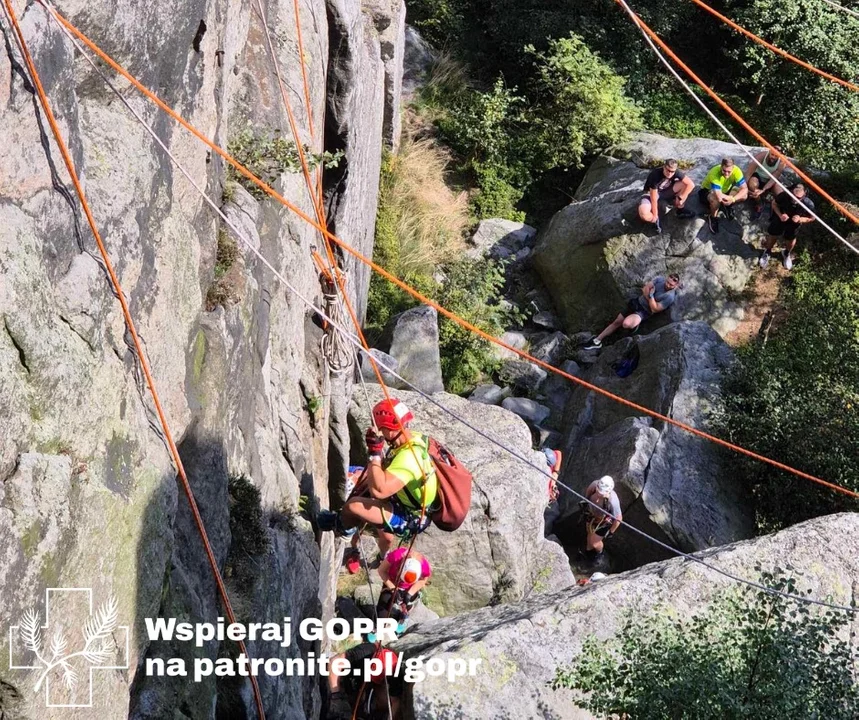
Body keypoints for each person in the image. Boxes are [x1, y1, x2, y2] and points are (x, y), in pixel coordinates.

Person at [317, 399, 437, 552]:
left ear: (390, 427)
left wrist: (375, 453)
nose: (378, 431)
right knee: (360, 477)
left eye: (381, 428)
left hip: (410, 515)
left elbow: (379, 491)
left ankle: (340, 526)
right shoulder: (412, 438)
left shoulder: (408, 458)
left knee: (353, 506)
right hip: (404, 495)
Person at [583, 274, 680, 351]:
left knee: (625, 323)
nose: (667, 285)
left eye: (671, 285)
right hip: (637, 302)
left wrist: (651, 296)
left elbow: (654, 309)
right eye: (668, 282)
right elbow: (645, 288)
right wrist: (650, 299)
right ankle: (597, 341)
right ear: (666, 278)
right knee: (617, 322)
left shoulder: (669, 297)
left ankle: (634, 326)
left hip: (644, 312)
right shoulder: (660, 280)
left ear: (675, 285)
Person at [326, 643, 405, 719]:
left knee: (384, 700)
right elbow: (334, 663)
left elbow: (395, 702)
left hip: (364, 688)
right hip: (341, 679)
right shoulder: (365, 652)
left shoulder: (394, 674)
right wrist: (336, 696)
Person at [758, 183, 815, 271]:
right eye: (794, 196)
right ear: (792, 192)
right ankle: (768, 251)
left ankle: (786, 253)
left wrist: (801, 219)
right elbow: (774, 204)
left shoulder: (808, 203)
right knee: (773, 234)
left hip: (794, 223)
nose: (795, 199)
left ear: (804, 195)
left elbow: (812, 218)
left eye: (799, 198)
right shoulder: (784, 195)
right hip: (780, 218)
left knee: (790, 238)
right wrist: (780, 215)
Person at [638, 159, 696, 232]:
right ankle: (653, 221)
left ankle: (680, 210)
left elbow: (691, 184)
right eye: (668, 170)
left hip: (666, 191)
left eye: (672, 171)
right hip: (650, 194)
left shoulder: (676, 172)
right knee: (643, 213)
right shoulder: (655, 174)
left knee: (684, 184)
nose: (670, 173)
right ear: (664, 167)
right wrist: (655, 216)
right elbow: (653, 198)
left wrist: (681, 197)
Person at [698, 157, 748, 233]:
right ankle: (712, 217)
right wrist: (730, 198)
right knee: (716, 201)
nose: (726, 174)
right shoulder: (714, 172)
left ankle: (727, 206)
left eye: (729, 171)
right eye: (724, 170)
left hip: (725, 191)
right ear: (721, 166)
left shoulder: (736, 171)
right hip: (708, 191)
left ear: (733, 168)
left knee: (744, 196)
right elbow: (718, 195)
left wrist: (733, 199)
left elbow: (745, 189)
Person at [580, 476, 622, 562]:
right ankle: (588, 552)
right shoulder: (594, 486)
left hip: (603, 522)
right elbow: (587, 496)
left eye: (602, 493)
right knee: (589, 534)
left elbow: (618, 518)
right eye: (598, 490)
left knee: (595, 543)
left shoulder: (613, 501)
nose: (599, 494)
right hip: (591, 515)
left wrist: (611, 532)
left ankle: (599, 553)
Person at [744, 145, 786, 219]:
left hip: (770, 180)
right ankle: (759, 203)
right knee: (752, 185)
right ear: (769, 151)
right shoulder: (762, 155)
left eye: (776, 156)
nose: (773, 157)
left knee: (780, 193)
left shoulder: (782, 162)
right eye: (772, 154)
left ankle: (777, 208)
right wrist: (744, 186)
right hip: (758, 176)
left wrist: (763, 190)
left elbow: (774, 178)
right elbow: (750, 171)